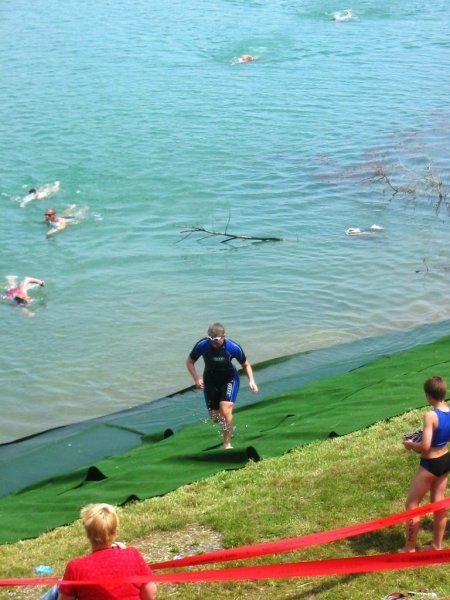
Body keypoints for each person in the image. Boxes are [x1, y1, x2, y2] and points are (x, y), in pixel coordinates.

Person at [41, 503, 157, 600]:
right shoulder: (132, 555)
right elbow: (150, 594)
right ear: (115, 531)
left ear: (87, 534)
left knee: (60, 585)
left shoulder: (75, 568)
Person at [186, 322, 258, 449]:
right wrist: (196, 378)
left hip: (229, 378)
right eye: (210, 340)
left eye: (216, 340)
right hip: (210, 379)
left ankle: (227, 444)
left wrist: (251, 380)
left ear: (224, 337)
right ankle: (227, 423)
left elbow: (245, 364)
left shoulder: (232, 347)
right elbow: (190, 362)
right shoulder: (202, 345)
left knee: (225, 409)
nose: (213, 343)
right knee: (214, 417)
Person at [402, 375, 450, 552]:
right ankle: (437, 545)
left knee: (412, 505)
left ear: (428, 396)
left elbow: (425, 446)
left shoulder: (430, 415)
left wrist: (410, 445)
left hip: (430, 464)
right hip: (446, 460)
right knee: (439, 504)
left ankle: (409, 547)